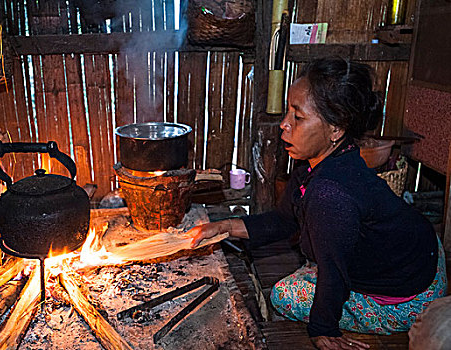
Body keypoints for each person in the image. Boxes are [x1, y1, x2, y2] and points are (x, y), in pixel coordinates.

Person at [187, 57, 447, 350]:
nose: (284, 124)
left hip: (412, 295)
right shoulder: (323, 164)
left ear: (336, 129)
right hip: (423, 249)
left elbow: (333, 271)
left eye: (298, 117)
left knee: (284, 295)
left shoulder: (329, 194)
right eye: (288, 111)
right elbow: (283, 222)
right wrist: (224, 227)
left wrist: (323, 327)